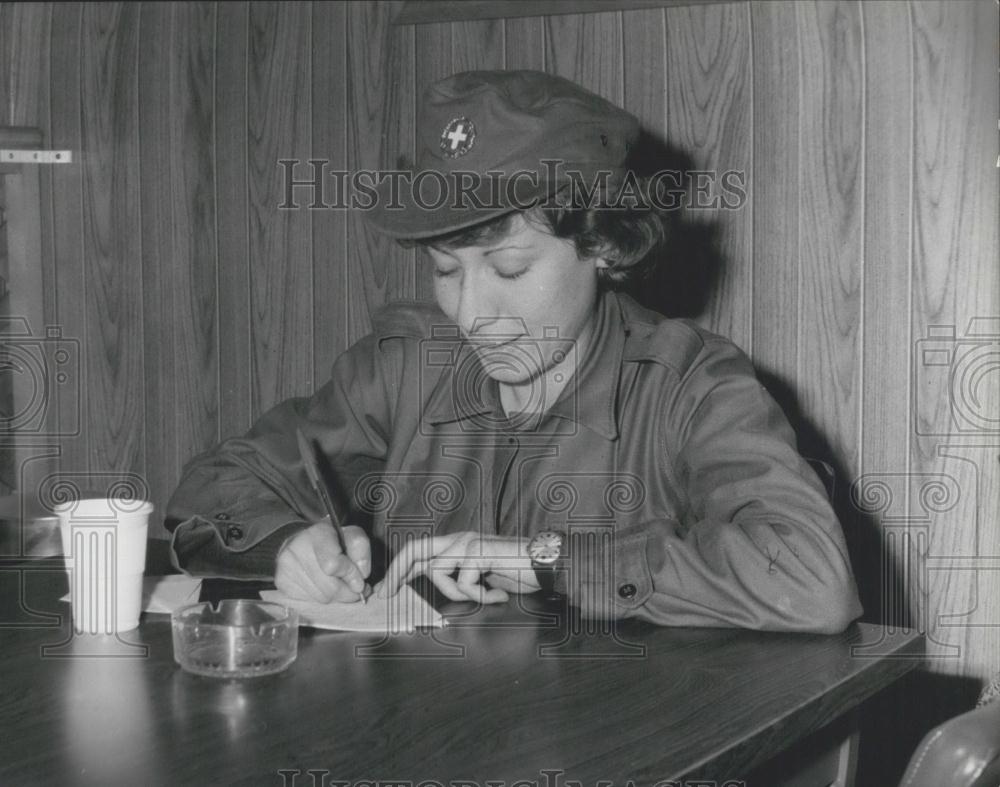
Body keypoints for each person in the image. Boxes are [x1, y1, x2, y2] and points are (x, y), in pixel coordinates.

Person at [166, 70, 863, 633]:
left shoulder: (694, 386)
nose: (471, 313)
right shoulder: (406, 362)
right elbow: (215, 484)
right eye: (445, 270)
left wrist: (549, 560)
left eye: (507, 270)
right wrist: (286, 541)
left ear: (604, 246)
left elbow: (811, 579)